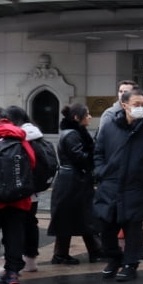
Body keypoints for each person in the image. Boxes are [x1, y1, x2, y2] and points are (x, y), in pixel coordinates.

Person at [93, 86, 143, 282]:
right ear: (124, 105)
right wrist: (100, 172)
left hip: (137, 186)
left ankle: (130, 264)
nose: (140, 108)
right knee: (106, 227)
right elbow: (98, 153)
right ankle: (115, 258)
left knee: (133, 227)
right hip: (110, 185)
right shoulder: (109, 127)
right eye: (136, 104)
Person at [0, 105, 35, 284]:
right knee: (14, 234)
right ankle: (12, 273)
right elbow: (32, 162)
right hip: (18, 197)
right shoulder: (20, 138)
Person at [49, 104, 104, 264]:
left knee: (80, 216)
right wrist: (95, 154)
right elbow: (80, 158)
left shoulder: (74, 133)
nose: (89, 117)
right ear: (76, 117)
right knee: (74, 216)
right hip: (72, 182)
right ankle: (63, 254)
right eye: (86, 114)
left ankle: (92, 250)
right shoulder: (72, 135)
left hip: (74, 181)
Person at [2, 105, 48, 272]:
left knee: (17, 226)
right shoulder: (36, 134)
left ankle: (17, 264)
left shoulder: (19, 137)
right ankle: (30, 260)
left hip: (21, 189)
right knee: (30, 222)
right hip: (33, 189)